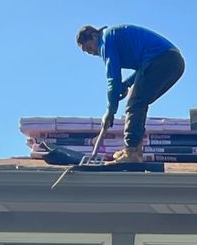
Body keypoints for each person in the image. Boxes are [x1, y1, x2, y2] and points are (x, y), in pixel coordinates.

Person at [76, 25, 185, 165]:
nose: (94, 53)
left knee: (135, 104)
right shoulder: (114, 36)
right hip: (174, 62)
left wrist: (110, 111)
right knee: (139, 101)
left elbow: (112, 78)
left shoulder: (106, 40)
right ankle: (135, 150)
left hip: (163, 59)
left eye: (90, 48)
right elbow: (142, 68)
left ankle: (132, 152)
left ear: (93, 35)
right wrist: (127, 84)